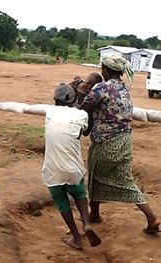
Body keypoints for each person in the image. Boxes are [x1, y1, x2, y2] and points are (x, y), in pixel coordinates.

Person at [81, 54, 161, 234]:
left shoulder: (101, 88)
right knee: (121, 179)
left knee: (98, 176)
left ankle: (95, 214)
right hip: (124, 142)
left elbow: (84, 109)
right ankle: (150, 217)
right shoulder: (124, 89)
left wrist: (81, 93)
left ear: (107, 70)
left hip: (106, 142)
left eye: (103, 68)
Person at [42, 83, 101, 250]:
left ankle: (76, 237)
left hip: (53, 169)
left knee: (61, 201)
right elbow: (85, 131)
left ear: (55, 100)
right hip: (74, 167)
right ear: (74, 99)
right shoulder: (80, 115)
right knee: (79, 192)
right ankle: (87, 223)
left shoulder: (50, 112)